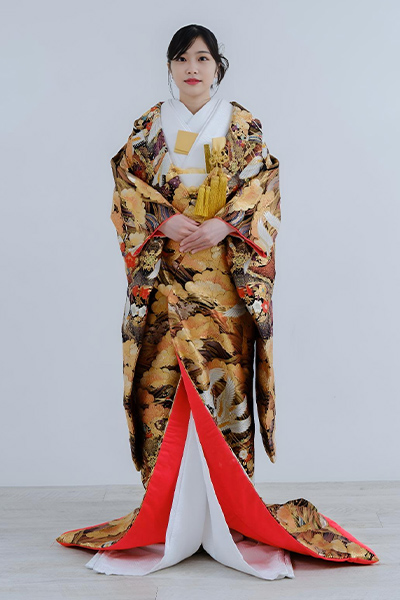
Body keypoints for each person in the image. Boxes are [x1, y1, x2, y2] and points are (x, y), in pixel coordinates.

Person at [55, 24, 379, 579]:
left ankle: (226, 516)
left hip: (225, 288)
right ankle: (169, 516)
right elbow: (125, 185)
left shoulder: (243, 124)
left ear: (218, 67)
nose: (192, 68)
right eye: (182, 58)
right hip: (166, 282)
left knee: (221, 391)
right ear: (170, 66)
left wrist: (225, 224)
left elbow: (265, 188)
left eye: (202, 58)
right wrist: (165, 220)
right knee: (163, 392)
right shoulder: (147, 127)